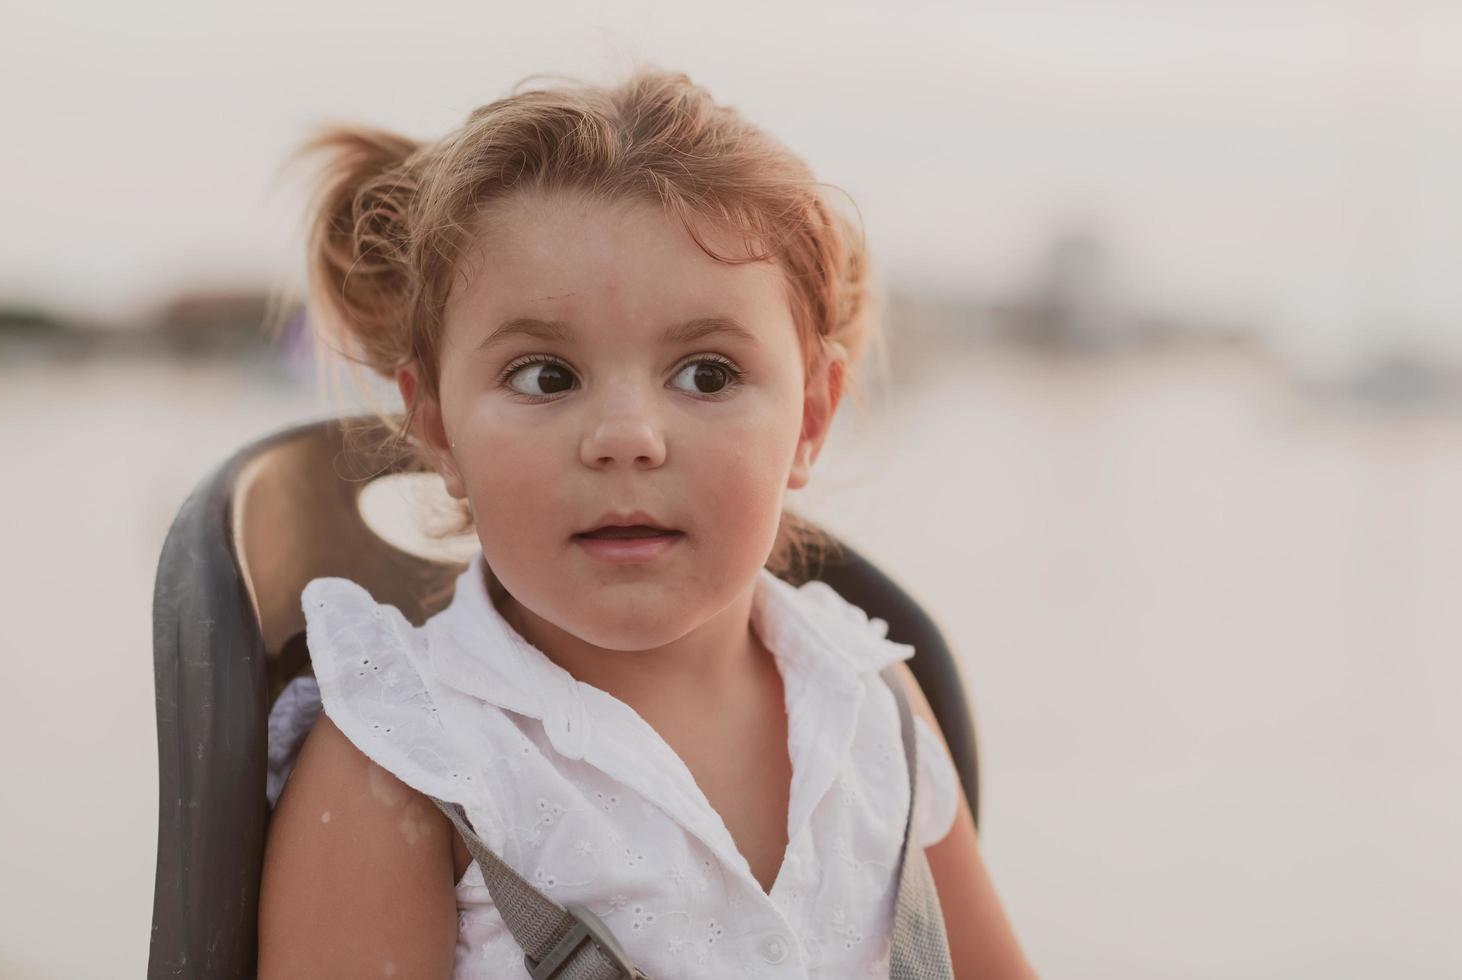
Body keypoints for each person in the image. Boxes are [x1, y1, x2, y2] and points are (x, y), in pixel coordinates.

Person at [257, 66, 1036, 979]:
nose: (626, 439)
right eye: (545, 375)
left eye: (706, 374)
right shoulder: (406, 769)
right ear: (435, 425)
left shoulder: (874, 709)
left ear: (811, 420)